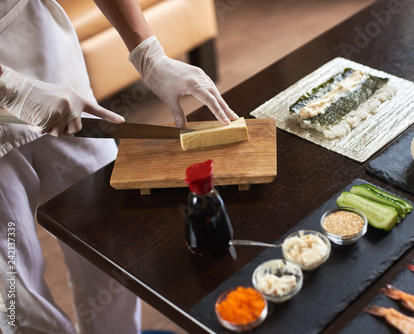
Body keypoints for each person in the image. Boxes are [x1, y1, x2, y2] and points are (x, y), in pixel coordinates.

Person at [0, 0, 238, 333]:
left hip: (44, 57)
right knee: (16, 295)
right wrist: (11, 89)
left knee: (109, 235)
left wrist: (148, 53)